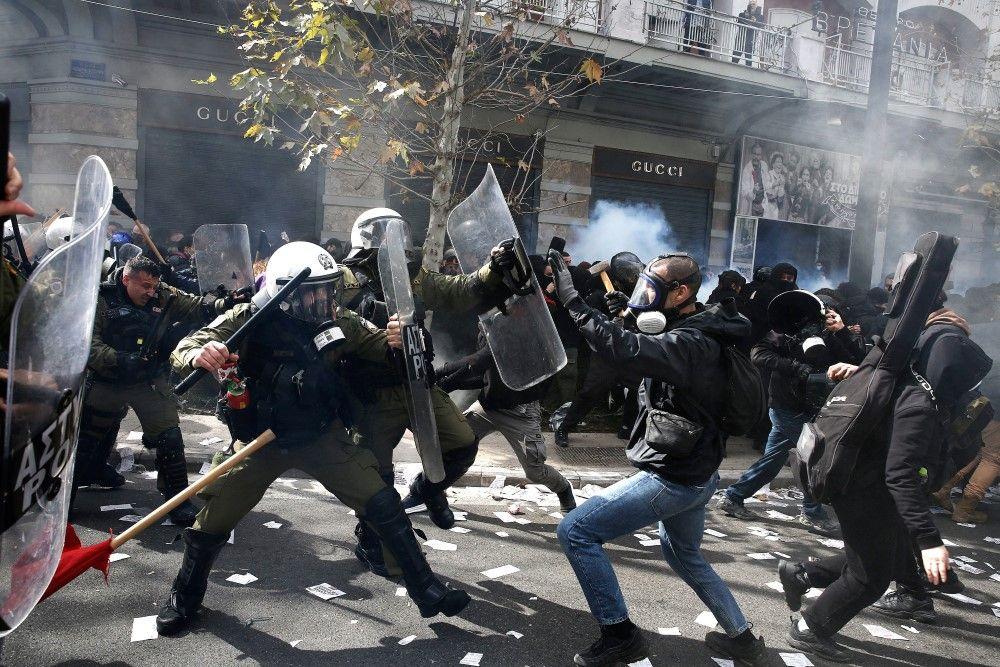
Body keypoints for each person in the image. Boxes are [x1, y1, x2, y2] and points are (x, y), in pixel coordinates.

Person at [154, 241, 471, 635]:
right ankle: (183, 597)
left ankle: (426, 590)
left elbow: (383, 350)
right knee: (212, 522)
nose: (324, 299)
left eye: (328, 288)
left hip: (321, 437)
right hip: (261, 443)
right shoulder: (251, 317)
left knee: (382, 501)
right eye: (313, 292)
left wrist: (402, 339)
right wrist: (203, 354)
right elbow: (189, 344)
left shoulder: (340, 321)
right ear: (287, 292)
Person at [549, 253, 766, 666]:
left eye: (652, 290)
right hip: (701, 472)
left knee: (575, 531)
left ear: (681, 292)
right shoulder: (704, 325)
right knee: (684, 554)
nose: (642, 297)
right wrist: (626, 317)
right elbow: (643, 351)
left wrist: (576, 305)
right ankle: (741, 638)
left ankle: (620, 635)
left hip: (675, 477)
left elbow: (633, 352)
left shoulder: (693, 344)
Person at [778, 301, 993, 663]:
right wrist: (929, 541)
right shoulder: (920, 404)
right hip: (864, 487)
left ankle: (804, 575)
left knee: (882, 554)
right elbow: (901, 474)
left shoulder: (899, 378)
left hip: (859, 480)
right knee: (870, 578)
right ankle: (811, 627)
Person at [338, 208, 518, 577]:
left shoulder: (414, 278)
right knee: (376, 476)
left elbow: (461, 291)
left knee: (462, 443)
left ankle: (429, 488)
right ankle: (370, 537)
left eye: (399, 240)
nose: (397, 249)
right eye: (386, 241)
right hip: (374, 395)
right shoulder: (344, 282)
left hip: (417, 381)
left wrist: (494, 269)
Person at [74, 255, 231, 525]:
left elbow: (192, 306)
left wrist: (223, 303)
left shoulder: (162, 294)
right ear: (126, 279)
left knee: (169, 435)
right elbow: (88, 343)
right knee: (90, 435)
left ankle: (177, 500)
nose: (151, 292)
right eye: (144, 285)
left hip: (148, 379)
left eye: (154, 285)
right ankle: (74, 489)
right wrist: (121, 360)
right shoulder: (100, 298)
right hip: (108, 378)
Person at [718, 293, 863, 534]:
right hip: (787, 406)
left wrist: (841, 331)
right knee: (812, 456)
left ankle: (734, 496)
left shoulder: (829, 333)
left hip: (813, 406)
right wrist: (795, 367)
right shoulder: (784, 332)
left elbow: (857, 361)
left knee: (774, 459)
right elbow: (758, 354)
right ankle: (812, 512)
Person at [436, 330, 578, 512]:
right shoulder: (488, 327)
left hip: (520, 412)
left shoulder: (520, 332)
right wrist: (448, 383)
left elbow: (479, 360)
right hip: (489, 407)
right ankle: (435, 490)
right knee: (455, 443)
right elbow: (487, 376)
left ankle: (564, 491)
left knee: (535, 471)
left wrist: (441, 374)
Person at [738, 143, 769, 217]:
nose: (756, 157)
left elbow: (767, 183)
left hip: (762, 205)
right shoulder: (747, 169)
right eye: (754, 154)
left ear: (761, 156)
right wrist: (753, 191)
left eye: (758, 155)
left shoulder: (764, 165)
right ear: (751, 154)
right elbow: (744, 192)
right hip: (751, 205)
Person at [733, 0, 764, 66]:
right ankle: (732, 67)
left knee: (749, 59)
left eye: (754, 2)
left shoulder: (760, 17)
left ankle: (749, 70)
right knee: (735, 57)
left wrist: (755, 21)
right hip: (741, 37)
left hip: (751, 39)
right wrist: (746, 18)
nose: (752, 4)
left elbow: (761, 25)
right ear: (748, 4)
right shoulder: (742, 14)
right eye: (751, 2)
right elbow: (739, 23)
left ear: (756, 4)